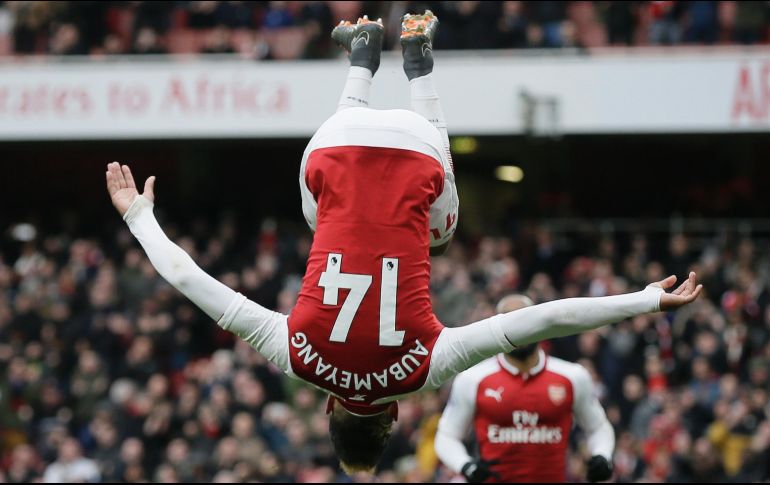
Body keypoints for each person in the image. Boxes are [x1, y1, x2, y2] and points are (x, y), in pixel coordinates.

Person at [105, 10, 703, 475]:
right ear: (330, 409)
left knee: (441, 233)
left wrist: (646, 300)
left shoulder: (425, 371)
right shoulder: (291, 352)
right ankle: (360, 65)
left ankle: (419, 70)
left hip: (420, 148)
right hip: (333, 143)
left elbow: (543, 320)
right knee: (326, 214)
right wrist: (138, 217)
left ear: (388, 419)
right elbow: (188, 279)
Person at [435, 295, 615, 483]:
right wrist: (466, 465)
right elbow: (447, 435)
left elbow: (598, 427)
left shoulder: (573, 376)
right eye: (510, 321)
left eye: (525, 319)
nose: (519, 329)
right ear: (495, 330)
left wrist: (602, 456)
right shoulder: (472, 379)